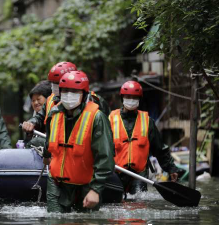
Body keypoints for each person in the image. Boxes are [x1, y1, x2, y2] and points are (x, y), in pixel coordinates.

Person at [43, 71, 115, 213]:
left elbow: (105, 157)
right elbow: (49, 142)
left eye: (74, 91)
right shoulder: (54, 113)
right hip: (57, 183)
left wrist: (96, 189)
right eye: (66, 90)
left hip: (86, 185)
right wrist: (46, 155)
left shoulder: (97, 117)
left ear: (84, 94)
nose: (69, 95)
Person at [109, 80, 180, 194]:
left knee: (139, 205)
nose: (131, 100)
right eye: (128, 96)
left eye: (134, 97)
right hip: (117, 173)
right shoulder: (111, 119)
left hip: (139, 175)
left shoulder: (147, 121)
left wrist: (171, 168)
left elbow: (159, 149)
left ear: (139, 99)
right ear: (122, 98)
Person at [22, 61, 110, 134]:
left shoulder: (91, 101)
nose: (54, 86)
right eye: (52, 83)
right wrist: (32, 122)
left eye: (57, 83)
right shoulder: (51, 99)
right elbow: (40, 117)